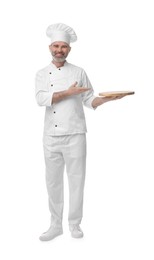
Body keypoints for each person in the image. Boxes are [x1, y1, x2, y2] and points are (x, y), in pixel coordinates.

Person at [35, 23, 124, 241]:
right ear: (50, 48)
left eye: (63, 46)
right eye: (56, 45)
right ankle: (55, 225)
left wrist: (109, 100)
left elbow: (89, 98)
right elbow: (41, 99)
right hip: (51, 136)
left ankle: (74, 224)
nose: (59, 50)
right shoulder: (41, 74)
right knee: (53, 182)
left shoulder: (79, 72)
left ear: (69, 49)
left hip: (75, 134)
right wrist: (68, 92)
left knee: (77, 180)